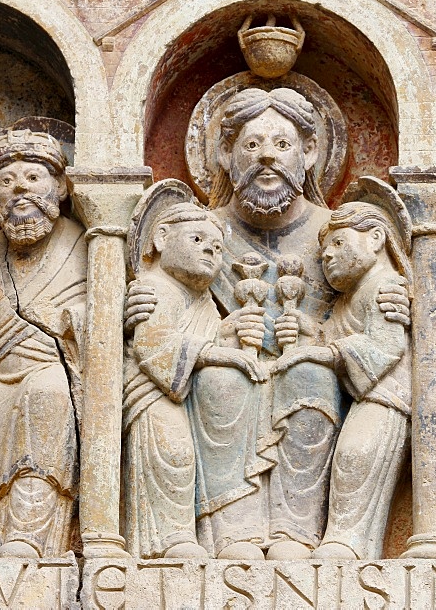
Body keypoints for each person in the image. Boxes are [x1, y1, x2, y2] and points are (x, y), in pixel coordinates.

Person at [126, 87, 409, 560]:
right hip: (221, 377)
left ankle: (295, 532)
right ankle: (231, 530)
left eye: (282, 144)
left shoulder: (340, 236)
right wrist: (215, 330)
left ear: (311, 152)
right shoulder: (198, 233)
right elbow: (179, 316)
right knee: (220, 380)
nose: (267, 159)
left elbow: (373, 319)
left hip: (320, 375)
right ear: (224, 153)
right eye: (252, 145)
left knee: (310, 377)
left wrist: (403, 300)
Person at [0, 127, 84, 558]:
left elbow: (105, 319)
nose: (20, 189)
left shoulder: (82, 246)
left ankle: (29, 535)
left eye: (33, 177)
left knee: (47, 394)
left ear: (60, 187)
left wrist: (66, 321)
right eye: (6, 181)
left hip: (56, 369)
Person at [123, 188, 266, 559]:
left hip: (188, 391)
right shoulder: (153, 289)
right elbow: (154, 349)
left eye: (217, 248)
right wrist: (224, 355)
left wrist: (230, 334)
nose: (210, 252)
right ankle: (171, 537)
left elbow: (202, 340)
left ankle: (226, 531)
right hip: (151, 392)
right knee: (174, 451)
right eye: (198, 240)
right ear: (161, 238)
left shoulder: (201, 300)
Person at [274, 182, 412, 560]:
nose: (327, 258)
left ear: (376, 238)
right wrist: (310, 333)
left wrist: (327, 353)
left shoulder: (386, 286)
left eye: (337, 244)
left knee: (357, 456)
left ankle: (349, 540)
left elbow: (386, 348)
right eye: (322, 252)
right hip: (361, 391)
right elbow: (336, 336)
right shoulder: (353, 297)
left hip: (387, 396)